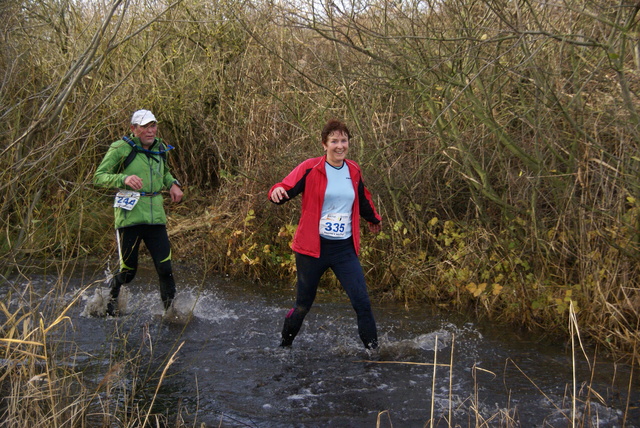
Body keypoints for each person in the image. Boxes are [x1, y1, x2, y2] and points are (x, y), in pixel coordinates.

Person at [268, 119, 383, 349]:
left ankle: (374, 355)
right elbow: (284, 188)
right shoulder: (310, 168)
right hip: (312, 249)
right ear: (324, 144)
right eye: (334, 141)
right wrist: (276, 191)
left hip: (344, 249)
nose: (340, 146)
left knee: (362, 303)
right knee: (303, 306)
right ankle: (284, 347)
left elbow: (362, 198)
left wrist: (374, 219)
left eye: (344, 140)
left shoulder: (354, 170)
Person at [94, 109, 183, 316]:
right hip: (129, 218)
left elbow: (165, 172)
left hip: (155, 218)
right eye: (144, 127)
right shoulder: (121, 148)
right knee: (128, 272)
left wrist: (173, 184)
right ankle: (107, 305)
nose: (150, 131)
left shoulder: (161, 148)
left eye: (153, 126)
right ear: (133, 129)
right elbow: (99, 176)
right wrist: (122, 179)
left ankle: (170, 314)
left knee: (165, 268)